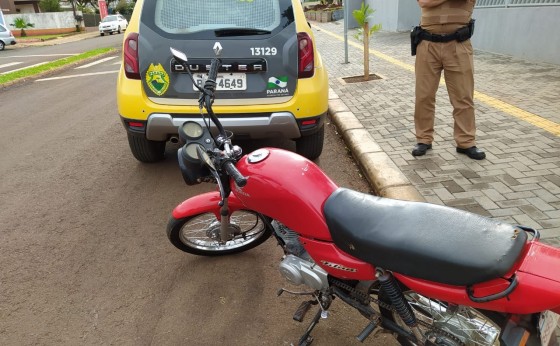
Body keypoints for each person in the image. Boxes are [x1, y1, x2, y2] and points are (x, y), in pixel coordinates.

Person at [411, 0, 485, 160]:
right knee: (424, 96)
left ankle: (466, 142)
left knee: (463, 97)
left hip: (458, 44)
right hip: (427, 44)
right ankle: (423, 139)